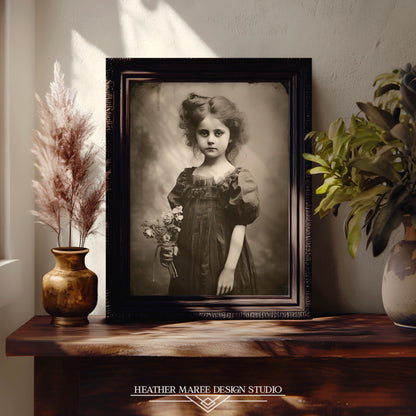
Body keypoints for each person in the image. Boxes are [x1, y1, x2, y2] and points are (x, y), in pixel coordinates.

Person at [163, 93, 259, 296]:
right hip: (189, 260)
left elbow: (240, 225)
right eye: (204, 133)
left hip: (224, 256)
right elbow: (176, 222)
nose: (211, 140)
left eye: (218, 133)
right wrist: (169, 247)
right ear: (194, 135)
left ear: (230, 135)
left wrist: (230, 269)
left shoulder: (237, 178)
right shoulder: (186, 178)